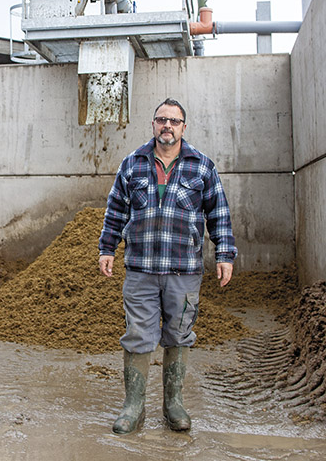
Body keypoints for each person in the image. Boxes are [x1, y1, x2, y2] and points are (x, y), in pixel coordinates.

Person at [98, 97, 237, 433]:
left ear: (183, 127)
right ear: (153, 125)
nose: (167, 126)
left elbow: (218, 213)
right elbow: (116, 208)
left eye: (174, 121)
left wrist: (225, 254)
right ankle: (133, 407)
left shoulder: (201, 166)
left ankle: (173, 404)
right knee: (137, 335)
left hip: (184, 271)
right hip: (141, 269)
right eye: (162, 120)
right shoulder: (132, 164)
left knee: (178, 335)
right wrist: (107, 248)